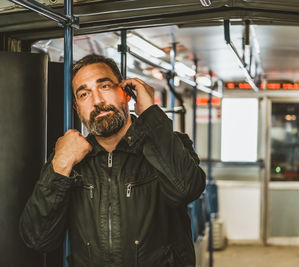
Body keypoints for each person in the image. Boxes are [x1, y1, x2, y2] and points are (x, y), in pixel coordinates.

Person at [19, 53, 206, 267]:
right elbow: (38, 239)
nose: (97, 101)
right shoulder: (68, 161)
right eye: (84, 94)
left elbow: (188, 189)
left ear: (126, 93)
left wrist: (150, 115)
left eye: (105, 86)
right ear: (77, 109)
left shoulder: (167, 144)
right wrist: (59, 167)